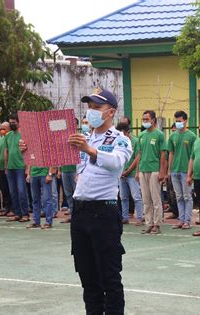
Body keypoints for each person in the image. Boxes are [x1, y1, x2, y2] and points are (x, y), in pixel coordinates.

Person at [69, 88, 131, 314]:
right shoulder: (83, 138)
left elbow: (116, 163)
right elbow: (58, 158)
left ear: (111, 112)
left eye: (97, 108)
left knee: (110, 278)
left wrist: (89, 149)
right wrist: (30, 151)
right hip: (80, 212)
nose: (91, 112)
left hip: (103, 213)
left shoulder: (119, 139)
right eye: (89, 107)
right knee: (87, 277)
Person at [135, 110, 166, 235]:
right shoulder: (141, 135)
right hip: (143, 169)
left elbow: (163, 154)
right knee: (146, 199)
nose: (145, 121)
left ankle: (157, 224)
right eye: (144, 119)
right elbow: (139, 154)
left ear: (153, 120)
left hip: (154, 170)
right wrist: (137, 171)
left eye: (147, 119)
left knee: (156, 198)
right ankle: (149, 223)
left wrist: (162, 172)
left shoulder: (159, 135)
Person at [167, 111, 196, 229]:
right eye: (176, 121)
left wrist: (191, 173)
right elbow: (171, 153)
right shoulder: (172, 136)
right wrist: (169, 170)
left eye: (180, 121)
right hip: (175, 170)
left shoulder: (192, 136)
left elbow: (193, 156)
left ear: (185, 121)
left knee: (187, 196)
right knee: (178, 196)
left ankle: (187, 221)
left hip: (186, 171)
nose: (178, 123)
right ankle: (181, 219)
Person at [116, 122, 143, 225]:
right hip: (121, 174)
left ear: (128, 132)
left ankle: (140, 218)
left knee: (136, 196)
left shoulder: (135, 141)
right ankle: (125, 217)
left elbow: (137, 158)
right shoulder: (118, 141)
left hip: (131, 174)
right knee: (123, 197)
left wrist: (128, 171)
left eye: (123, 133)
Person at [5, 113, 30, 222]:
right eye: (10, 123)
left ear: (19, 123)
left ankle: (25, 214)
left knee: (21, 191)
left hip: (20, 166)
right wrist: (6, 166)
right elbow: (6, 151)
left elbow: (29, 152)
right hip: (10, 167)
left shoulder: (25, 135)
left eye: (14, 123)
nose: (12, 124)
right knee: (13, 191)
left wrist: (27, 168)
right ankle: (17, 213)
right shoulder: (8, 135)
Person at [26, 165, 54, 229]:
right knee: (35, 200)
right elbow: (30, 161)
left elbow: (51, 161)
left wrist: (49, 174)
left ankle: (48, 222)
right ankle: (36, 222)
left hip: (44, 174)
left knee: (47, 199)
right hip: (33, 175)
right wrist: (29, 174)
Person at [0, 122, 13, 217]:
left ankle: (13, 208)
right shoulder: (0, 140)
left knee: (12, 189)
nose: (2, 130)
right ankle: (7, 207)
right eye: (1, 128)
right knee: (4, 189)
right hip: (2, 168)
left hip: (10, 168)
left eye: (4, 128)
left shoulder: (11, 138)